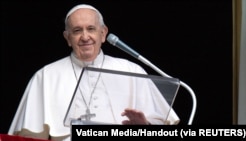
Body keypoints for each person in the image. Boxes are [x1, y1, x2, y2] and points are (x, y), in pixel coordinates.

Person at [8, 4, 180, 141]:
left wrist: (146, 127)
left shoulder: (131, 70)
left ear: (103, 33)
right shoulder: (45, 76)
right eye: (77, 31)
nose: (85, 37)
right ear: (67, 38)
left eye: (91, 28)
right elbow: (29, 137)